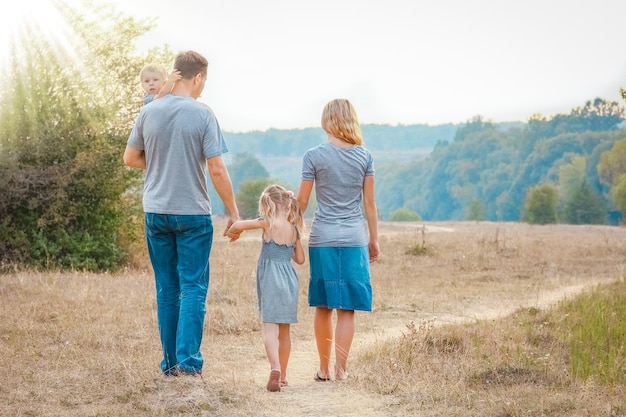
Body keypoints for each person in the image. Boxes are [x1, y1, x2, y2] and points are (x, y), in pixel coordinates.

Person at [123, 50, 240, 377]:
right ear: (198, 78)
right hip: (192, 215)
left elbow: (130, 158)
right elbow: (216, 169)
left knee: (167, 288)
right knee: (192, 287)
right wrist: (233, 212)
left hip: (156, 212)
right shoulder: (202, 114)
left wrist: (160, 162)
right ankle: (188, 365)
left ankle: (170, 364)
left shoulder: (149, 112)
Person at [296, 98, 380, 382]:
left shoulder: (313, 156)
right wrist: (374, 239)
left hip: (323, 238)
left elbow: (302, 202)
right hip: (355, 238)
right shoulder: (364, 156)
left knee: (323, 305)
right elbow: (369, 203)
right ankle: (341, 370)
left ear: (326, 120)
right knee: (348, 308)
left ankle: (323, 368)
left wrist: (288, 230)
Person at [226, 184, 305, 392]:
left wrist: (233, 232)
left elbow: (239, 225)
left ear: (267, 204)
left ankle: (275, 368)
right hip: (289, 281)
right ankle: (284, 375)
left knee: (270, 329)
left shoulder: (267, 222)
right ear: (287, 204)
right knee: (285, 331)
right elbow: (300, 259)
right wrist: (295, 241)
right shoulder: (294, 228)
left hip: (271, 280)